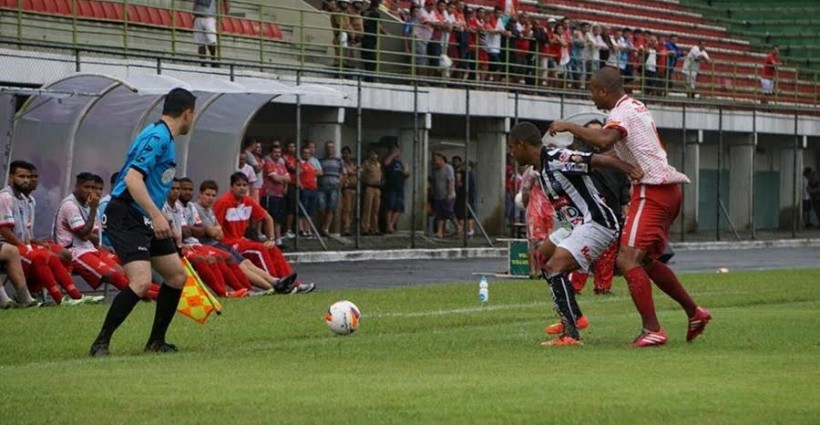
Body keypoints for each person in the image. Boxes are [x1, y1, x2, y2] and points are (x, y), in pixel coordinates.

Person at [548, 67, 712, 347]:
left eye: (591, 91)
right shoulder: (635, 106)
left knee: (626, 260)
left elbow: (604, 140)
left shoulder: (619, 113)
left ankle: (653, 330)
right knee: (645, 261)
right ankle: (694, 313)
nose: (591, 97)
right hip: (665, 189)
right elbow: (617, 148)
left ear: (603, 91)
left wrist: (568, 126)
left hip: (653, 190)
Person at [508, 121, 639, 346]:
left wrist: (630, 169)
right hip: (576, 226)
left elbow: (595, 160)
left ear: (521, 145)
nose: (511, 153)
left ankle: (570, 334)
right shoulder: (540, 168)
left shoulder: (556, 158)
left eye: (512, 147)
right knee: (543, 257)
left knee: (554, 268)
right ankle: (575, 316)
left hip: (597, 223)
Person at [90, 88, 196, 357]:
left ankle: (156, 342)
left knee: (175, 276)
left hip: (144, 215)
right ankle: (101, 342)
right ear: (187, 113)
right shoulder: (157, 136)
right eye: (192, 115)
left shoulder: (165, 138)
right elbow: (132, 179)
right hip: (125, 213)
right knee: (140, 282)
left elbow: (150, 185)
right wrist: (157, 215)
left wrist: (163, 218)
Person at [213, 172, 315, 293]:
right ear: (232, 187)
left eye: (244, 185)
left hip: (241, 240)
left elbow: (267, 218)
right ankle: (277, 284)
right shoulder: (223, 202)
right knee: (260, 249)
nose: (242, 188)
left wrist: (271, 239)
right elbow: (216, 229)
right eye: (238, 185)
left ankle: (295, 284)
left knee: (272, 248)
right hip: (228, 243)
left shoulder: (248, 201)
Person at [0, 161, 84, 306]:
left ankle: (74, 296)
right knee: (40, 257)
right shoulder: (5, 197)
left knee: (56, 255)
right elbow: (4, 230)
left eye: (28, 177)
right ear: (11, 178)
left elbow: (24, 231)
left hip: (20, 244)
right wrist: (26, 246)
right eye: (21, 176)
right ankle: (54, 298)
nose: (26, 180)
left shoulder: (26, 199)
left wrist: (34, 243)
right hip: (7, 244)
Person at [193, 180, 297, 294]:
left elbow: (218, 232)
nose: (210, 198)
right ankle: (274, 287)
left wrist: (271, 239)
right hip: (221, 244)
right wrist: (214, 231)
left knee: (263, 253)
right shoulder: (205, 206)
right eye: (207, 195)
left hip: (221, 243)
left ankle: (279, 281)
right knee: (258, 251)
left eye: (213, 195)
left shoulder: (210, 210)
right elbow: (215, 233)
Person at [564, 120, 631, 298]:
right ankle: (574, 286)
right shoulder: (579, 158)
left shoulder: (614, 158)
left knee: (608, 252)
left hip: (612, 210)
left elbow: (624, 182)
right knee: (583, 250)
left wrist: (625, 203)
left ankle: (603, 286)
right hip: (589, 212)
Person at [53, 172, 131, 295]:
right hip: (74, 251)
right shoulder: (71, 205)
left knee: (123, 271)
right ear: (77, 187)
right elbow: (84, 235)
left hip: (90, 248)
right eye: (87, 187)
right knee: (113, 275)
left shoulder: (88, 204)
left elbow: (94, 238)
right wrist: (93, 210)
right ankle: (147, 295)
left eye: (94, 188)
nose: (91, 191)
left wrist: (88, 233)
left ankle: (153, 294)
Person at [260, 145, 290, 246]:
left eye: (279, 152)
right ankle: (270, 240)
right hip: (270, 194)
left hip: (280, 195)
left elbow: (288, 178)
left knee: (279, 218)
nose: (277, 154)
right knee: (270, 218)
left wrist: (282, 180)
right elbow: (275, 179)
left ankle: (278, 240)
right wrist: (283, 179)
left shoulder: (281, 165)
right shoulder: (268, 164)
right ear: (271, 153)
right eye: (275, 152)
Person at [431, 152, 460, 238]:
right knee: (439, 214)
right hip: (438, 196)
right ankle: (440, 232)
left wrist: (449, 193)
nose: (435, 162)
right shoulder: (435, 170)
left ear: (441, 159)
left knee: (448, 212)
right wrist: (433, 191)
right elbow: (434, 181)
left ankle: (458, 227)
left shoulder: (448, 168)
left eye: (436, 160)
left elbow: (450, 181)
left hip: (448, 195)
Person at [318, 141, 343, 236]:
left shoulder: (338, 160)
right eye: (328, 147)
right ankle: (324, 225)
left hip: (334, 186)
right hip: (322, 187)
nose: (330, 149)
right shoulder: (320, 161)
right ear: (325, 149)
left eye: (332, 147)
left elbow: (342, 173)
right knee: (321, 207)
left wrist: (340, 183)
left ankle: (326, 228)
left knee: (331, 208)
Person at [193, 0, 229, 66]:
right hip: (198, 16)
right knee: (200, 43)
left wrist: (222, 16)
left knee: (211, 41)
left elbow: (223, 2)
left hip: (209, 17)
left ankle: (213, 59)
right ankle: (203, 62)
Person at [382, 146, 409, 234]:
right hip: (390, 187)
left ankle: (391, 225)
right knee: (389, 207)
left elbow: (403, 175)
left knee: (399, 208)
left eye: (398, 151)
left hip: (399, 187)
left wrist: (406, 174)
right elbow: (385, 164)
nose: (397, 152)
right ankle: (388, 225)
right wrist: (392, 155)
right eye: (395, 150)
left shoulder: (400, 163)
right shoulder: (389, 160)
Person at [361, 150, 383, 235]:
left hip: (377, 188)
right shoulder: (366, 164)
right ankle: (365, 228)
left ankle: (374, 228)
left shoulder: (378, 164)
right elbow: (361, 175)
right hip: (369, 187)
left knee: (375, 210)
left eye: (375, 154)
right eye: (372, 154)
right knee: (367, 208)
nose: (374, 156)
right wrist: (366, 181)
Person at [339, 146, 358, 236]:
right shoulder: (341, 163)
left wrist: (354, 171)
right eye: (344, 153)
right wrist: (353, 171)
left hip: (354, 188)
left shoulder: (352, 163)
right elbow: (349, 172)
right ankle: (345, 228)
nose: (346, 155)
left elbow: (358, 172)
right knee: (346, 209)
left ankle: (349, 227)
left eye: (348, 153)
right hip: (346, 188)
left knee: (352, 210)